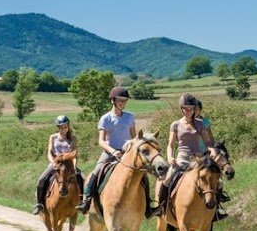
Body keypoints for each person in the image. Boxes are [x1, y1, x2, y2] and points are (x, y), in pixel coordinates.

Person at [76, 86, 161, 217]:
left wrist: (132, 150)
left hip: (127, 154)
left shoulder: (130, 117)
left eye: (124, 100)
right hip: (110, 153)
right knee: (97, 171)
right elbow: (101, 141)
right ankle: (86, 201)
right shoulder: (106, 118)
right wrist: (113, 151)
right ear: (113, 100)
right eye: (120, 100)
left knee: (142, 175)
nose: (122, 103)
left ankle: (148, 206)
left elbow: (135, 138)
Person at [155, 93, 214, 209]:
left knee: (215, 179)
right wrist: (170, 157)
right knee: (168, 179)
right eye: (185, 109)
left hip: (198, 159)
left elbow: (207, 142)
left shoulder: (200, 124)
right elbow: (170, 145)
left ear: (194, 109)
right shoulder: (175, 125)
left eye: (191, 109)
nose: (188, 111)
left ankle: (217, 210)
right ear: (181, 109)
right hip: (182, 158)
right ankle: (161, 207)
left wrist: (212, 151)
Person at [32, 115, 83, 215]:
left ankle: (83, 203)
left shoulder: (73, 139)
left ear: (68, 126)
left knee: (83, 178)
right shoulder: (53, 137)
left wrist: (74, 166)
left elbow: (74, 155)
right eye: (60, 127)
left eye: (65, 127)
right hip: (56, 164)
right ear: (58, 128)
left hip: (69, 165)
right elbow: (49, 152)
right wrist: (53, 163)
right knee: (41, 180)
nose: (63, 129)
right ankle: (39, 203)